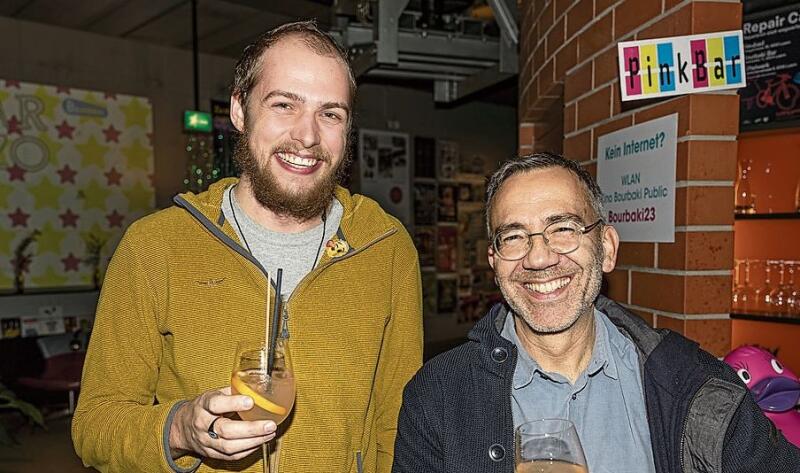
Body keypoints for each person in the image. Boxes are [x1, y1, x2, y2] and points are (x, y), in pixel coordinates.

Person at [72, 20, 423, 473]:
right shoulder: (155, 246)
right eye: (283, 105)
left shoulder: (387, 248)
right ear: (240, 110)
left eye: (330, 114)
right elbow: (95, 424)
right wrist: (179, 429)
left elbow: (400, 422)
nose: (308, 136)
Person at [392, 152, 800, 473]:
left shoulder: (695, 384)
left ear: (606, 247)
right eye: (514, 237)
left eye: (563, 228)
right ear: (494, 261)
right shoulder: (438, 397)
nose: (539, 257)